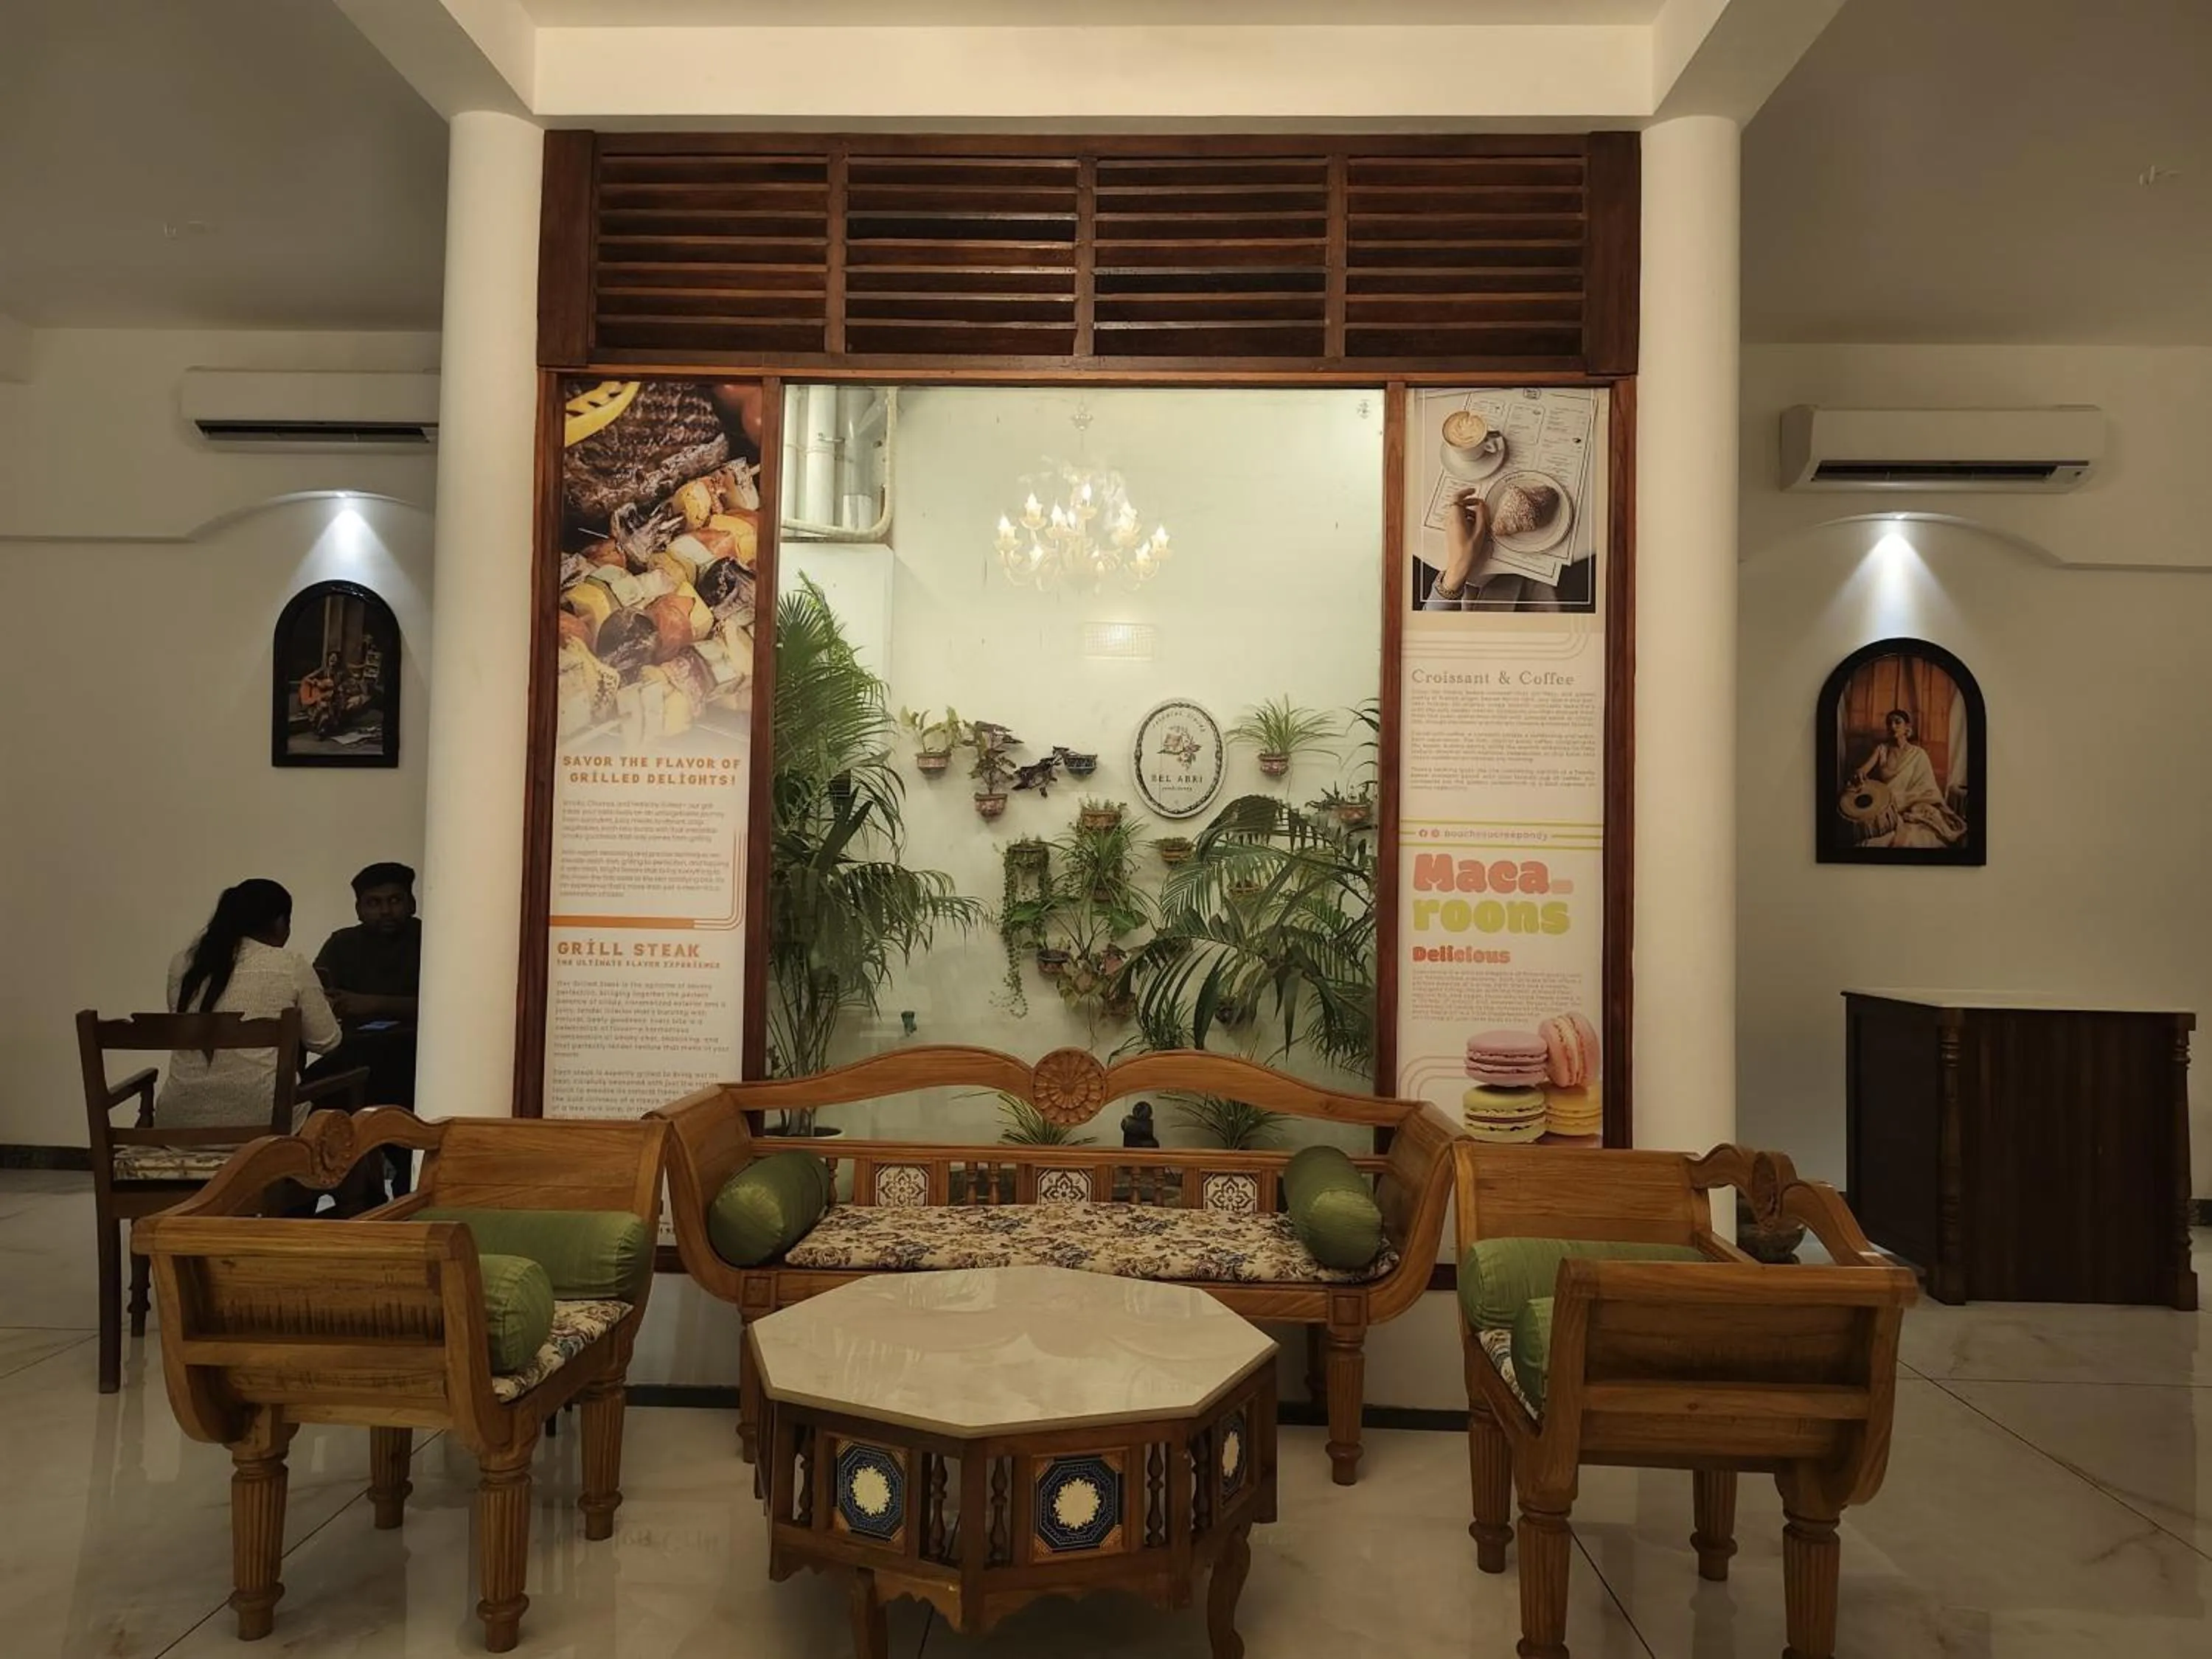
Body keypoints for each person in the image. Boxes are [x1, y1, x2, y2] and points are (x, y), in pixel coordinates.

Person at [156, 879, 341, 1130]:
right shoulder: (289, 964)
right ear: (279, 922)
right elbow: (327, 1041)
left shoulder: (183, 964)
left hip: (179, 1126)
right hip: (267, 1124)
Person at [310, 862, 422, 1111]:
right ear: (359, 910)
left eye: (395, 900)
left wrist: (373, 1003)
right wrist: (330, 1003)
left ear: (412, 904)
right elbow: (316, 995)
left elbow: (446, 1008)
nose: (385, 911)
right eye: (374, 903)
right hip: (355, 1051)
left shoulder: (428, 938)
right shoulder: (342, 943)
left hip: (414, 1053)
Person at [1848, 708, 1969, 849]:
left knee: (1923, 832)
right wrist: (1859, 773)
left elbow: (1928, 789)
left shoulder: (1919, 754)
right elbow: (1863, 769)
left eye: (1897, 722)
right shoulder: (1882, 749)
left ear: (1907, 727)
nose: (1892, 726)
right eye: (1889, 723)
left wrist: (1909, 800)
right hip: (1889, 804)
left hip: (1914, 803)